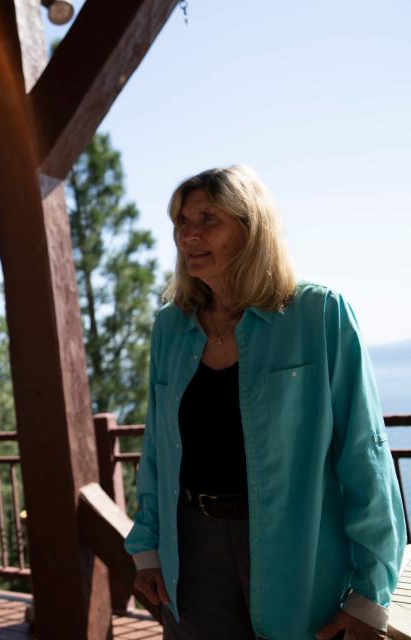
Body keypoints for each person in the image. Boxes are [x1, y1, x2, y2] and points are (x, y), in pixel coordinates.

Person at [125, 165, 405, 640]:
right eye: (180, 222)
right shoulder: (172, 328)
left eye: (207, 218)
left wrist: (368, 593)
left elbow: (365, 454)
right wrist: (147, 548)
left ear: (252, 228)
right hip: (192, 551)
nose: (188, 234)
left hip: (299, 552)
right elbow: (159, 449)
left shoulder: (319, 314)